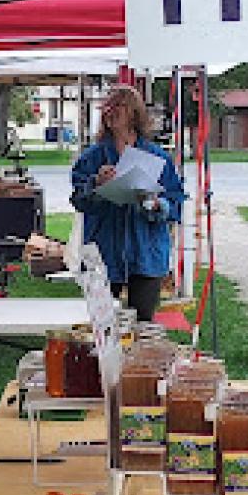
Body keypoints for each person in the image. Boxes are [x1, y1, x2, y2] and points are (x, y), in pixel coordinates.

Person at [70, 86, 184, 321]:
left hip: (146, 254)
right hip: (103, 252)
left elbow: (175, 203)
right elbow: (80, 200)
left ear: (134, 112)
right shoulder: (91, 158)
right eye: (107, 106)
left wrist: (156, 205)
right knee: (100, 327)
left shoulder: (158, 158)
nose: (110, 111)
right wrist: (96, 184)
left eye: (118, 105)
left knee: (142, 325)